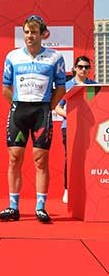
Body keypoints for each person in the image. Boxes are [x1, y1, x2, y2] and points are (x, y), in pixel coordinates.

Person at [0, 15, 66, 223]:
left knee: (40, 160)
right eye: (26, 32)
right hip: (19, 111)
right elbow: (5, 88)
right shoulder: (13, 56)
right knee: (14, 158)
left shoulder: (55, 57)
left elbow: (61, 88)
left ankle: (40, 207)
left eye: (33, 32)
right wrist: (17, 105)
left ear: (43, 34)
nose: (29, 36)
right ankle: (13, 207)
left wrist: (47, 107)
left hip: (41, 112)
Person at [55, 55, 96, 203]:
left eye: (86, 67)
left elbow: (97, 106)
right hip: (69, 127)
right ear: (75, 68)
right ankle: (68, 189)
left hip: (90, 129)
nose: (83, 69)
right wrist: (71, 116)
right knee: (71, 158)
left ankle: (89, 189)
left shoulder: (94, 86)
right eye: (80, 67)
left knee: (90, 158)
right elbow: (57, 107)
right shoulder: (67, 86)